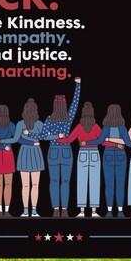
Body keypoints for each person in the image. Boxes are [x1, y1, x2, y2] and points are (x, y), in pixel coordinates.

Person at [35, 77, 81, 217]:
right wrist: (78, 85)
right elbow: (75, 103)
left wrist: (54, 137)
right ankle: (60, 208)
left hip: (56, 151)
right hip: (63, 150)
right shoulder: (64, 117)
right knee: (62, 181)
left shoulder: (57, 118)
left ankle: (60, 208)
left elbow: (42, 136)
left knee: (57, 180)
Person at [93, 103, 131, 218]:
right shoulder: (122, 128)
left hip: (107, 155)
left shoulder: (106, 127)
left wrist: (86, 143)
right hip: (121, 156)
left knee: (109, 184)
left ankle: (109, 211)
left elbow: (100, 141)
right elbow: (128, 143)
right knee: (120, 184)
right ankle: (121, 211)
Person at [64, 101, 103, 218]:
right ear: (92, 113)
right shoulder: (96, 126)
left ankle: (81, 211)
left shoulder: (79, 126)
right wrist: (115, 144)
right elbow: (102, 141)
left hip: (82, 155)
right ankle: (94, 211)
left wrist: (57, 139)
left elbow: (69, 140)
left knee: (81, 182)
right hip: (95, 154)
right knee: (95, 182)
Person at [12, 98, 44, 217]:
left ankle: (30, 210)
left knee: (28, 185)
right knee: (32, 185)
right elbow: (17, 139)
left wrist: (28, 136)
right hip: (31, 152)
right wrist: (32, 142)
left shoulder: (25, 124)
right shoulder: (24, 124)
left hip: (27, 153)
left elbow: (42, 136)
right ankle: (29, 210)